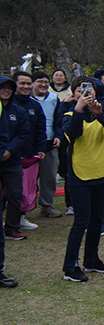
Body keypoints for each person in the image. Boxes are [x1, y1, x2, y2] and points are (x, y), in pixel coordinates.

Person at [59, 81, 104, 282]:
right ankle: (70, 266)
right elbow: (74, 133)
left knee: (97, 219)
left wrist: (100, 115)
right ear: (74, 94)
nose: (85, 93)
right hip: (80, 174)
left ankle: (91, 260)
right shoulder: (68, 114)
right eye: (80, 91)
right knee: (81, 222)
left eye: (89, 90)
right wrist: (78, 110)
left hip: (103, 172)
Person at [11, 71, 48, 234]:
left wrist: (41, 148)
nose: (26, 86)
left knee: (26, 189)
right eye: (22, 83)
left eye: (28, 83)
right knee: (9, 190)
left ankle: (21, 217)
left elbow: (40, 129)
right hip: (8, 154)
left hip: (28, 154)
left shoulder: (34, 106)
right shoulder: (7, 104)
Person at [0, 75, 31, 243]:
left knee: (15, 194)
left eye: (9, 88)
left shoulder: (18, 111)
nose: (6, 91)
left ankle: (12, 228)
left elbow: (23, 134)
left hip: (12, 160)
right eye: (3, 87)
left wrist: (9, 151)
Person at [30, 72, 63, 218]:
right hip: (30, 145)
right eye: (39, 81)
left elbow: (58, 120)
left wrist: (58, 136)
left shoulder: (54, 98)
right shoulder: (26, 99)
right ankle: (23, 209)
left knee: (49, 177)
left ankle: (47, 206)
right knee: (28, 179)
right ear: (32, 83)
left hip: (49, 144)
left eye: (46, 82)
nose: (43, 85)